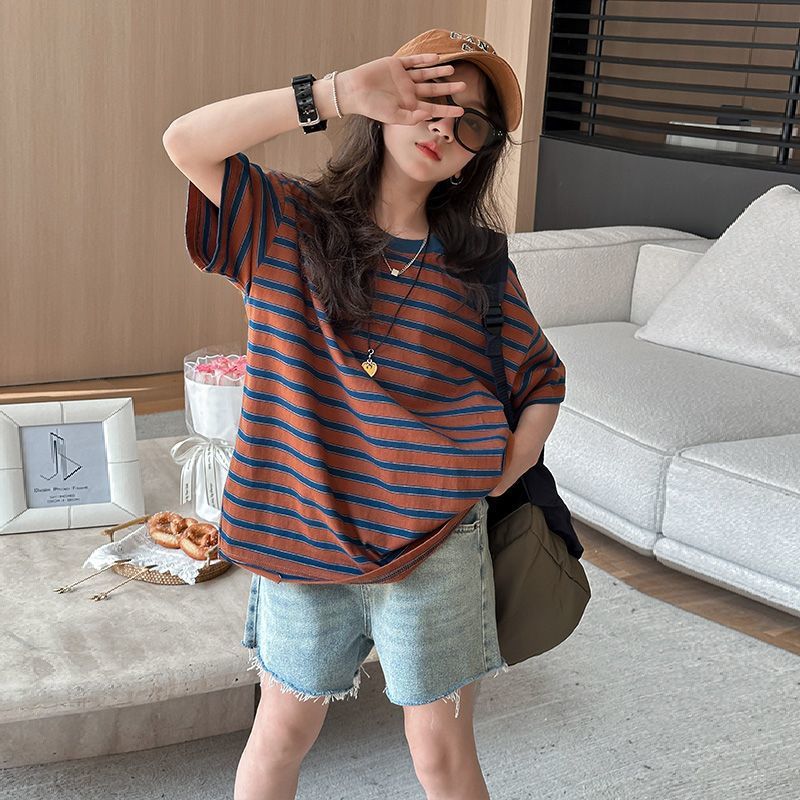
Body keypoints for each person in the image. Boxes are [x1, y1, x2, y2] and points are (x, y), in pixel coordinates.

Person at [163, 27, 566, 800]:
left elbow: (541, 376)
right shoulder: (286, 222)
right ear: (388, 100)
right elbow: (185, 143)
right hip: (301, 539)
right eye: (430, 98)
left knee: (440, 754)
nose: (445, 126)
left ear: (477, 156)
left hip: (438, 546)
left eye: (472, 123)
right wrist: (335, 90)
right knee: (279, 735)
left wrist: (508, 467)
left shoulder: (478, 264)